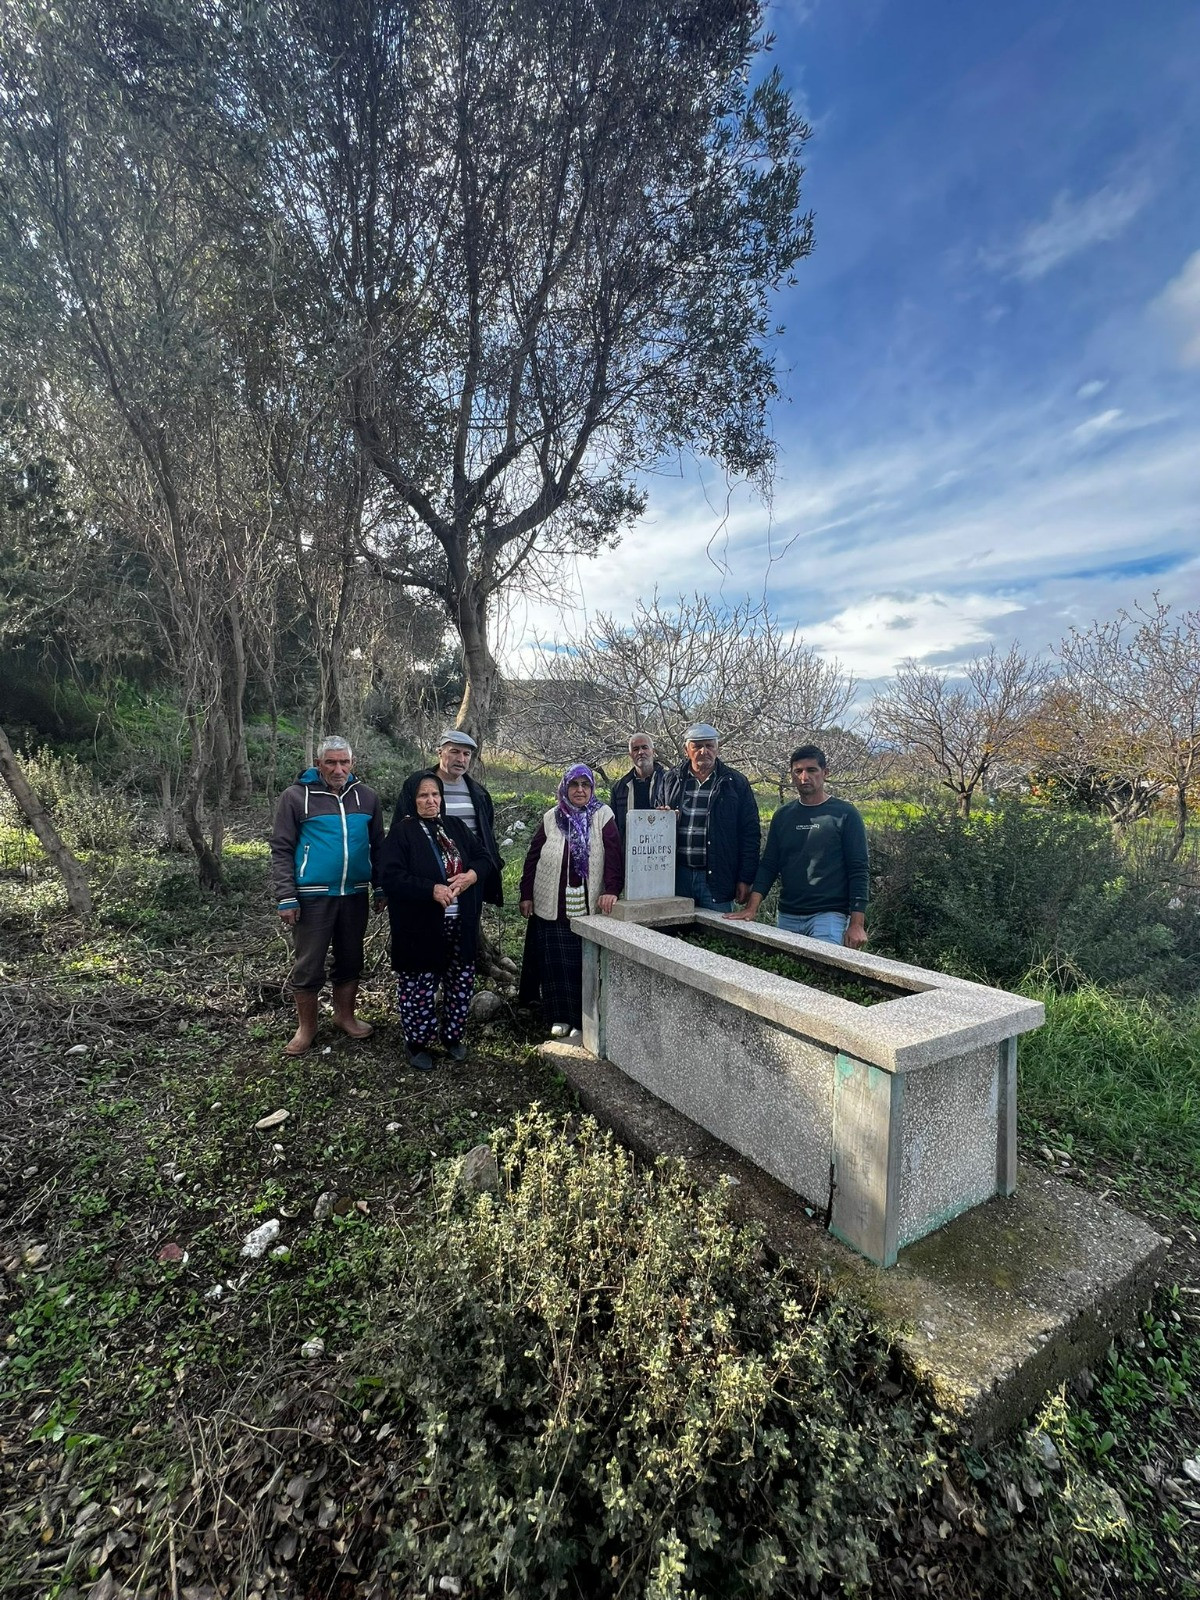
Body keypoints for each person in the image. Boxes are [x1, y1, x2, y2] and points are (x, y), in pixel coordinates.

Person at [270, 736, 385, 1056]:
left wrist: (380, 886)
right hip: (311, 896)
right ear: (318, 764)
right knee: (308, 964)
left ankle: (344, 1017)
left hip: (354, 895)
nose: (338, 769)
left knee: (351, 958)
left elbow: (378, 845)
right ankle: (306, 1028)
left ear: (353, 763)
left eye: (344, 762)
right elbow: (281, 848)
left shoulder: (367, 798)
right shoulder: (295, 798)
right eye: (331, 762)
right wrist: (286, 895)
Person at [379, 773, 492, 1070]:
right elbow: (390, 876)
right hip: (420, 924)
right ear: (411, 799)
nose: (430, 801)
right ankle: (417, 1042)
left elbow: (484, 857)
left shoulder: (454, 827)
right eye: (423, 796)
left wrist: (471, 876)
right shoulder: (402, 833)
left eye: (435, 795)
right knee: (418, 984)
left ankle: (452, 1036)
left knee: (461, 980)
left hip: (460, 922)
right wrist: (430, 889)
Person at [726, 744, 869, 948]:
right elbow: (769, 865)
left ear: (825, 773)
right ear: (792, 775)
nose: (804, 777)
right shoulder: (783, 816)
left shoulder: (845, 814)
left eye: (812, 770)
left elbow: (859, 869)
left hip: (828, 915)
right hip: (788, 914)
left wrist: (857, 924)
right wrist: (751, 908)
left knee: (821, 970)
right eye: (798, 771)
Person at [518, 764, 623, 1037]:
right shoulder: (552, 817)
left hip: (587, 905)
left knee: (581, 964)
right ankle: (559, 1017)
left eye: (584, 785)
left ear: (591, 788)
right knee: (554, 962)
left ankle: (581, 1021)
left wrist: (612, 888)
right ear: (565, 787)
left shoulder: (602, 816)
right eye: (574, 785)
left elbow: (614, 855)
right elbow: (532, 856)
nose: (579, 790)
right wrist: (526, 894)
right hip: (551, 903)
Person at [395, 730, 504, 907]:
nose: (461, 759)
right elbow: (398, 831)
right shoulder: (417, 786)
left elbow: (488, 838)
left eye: (466, 754)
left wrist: (480, 871)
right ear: (440, 752)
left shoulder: (479, 794)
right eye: (454, 752)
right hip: (427, 883)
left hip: (468, 881)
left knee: (466, 931)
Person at [661, 723, 760, 913]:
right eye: (697, 746)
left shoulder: (735, 783)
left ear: (717, 748)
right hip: (676, 876)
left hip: (717, 878)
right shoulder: (671, 779)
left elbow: (750, 833)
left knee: (716, 936)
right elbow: (656, 820)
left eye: (709, 745)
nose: (704, 751)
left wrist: (745, 878)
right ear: (686, 750)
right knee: (673, 935)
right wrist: (662, 816)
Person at [609, 731, 668, 840]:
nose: (641, 752)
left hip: (661, 849)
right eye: (635, 749)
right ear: (630, 755)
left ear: (653, 752)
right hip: (631, 851)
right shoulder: (619, 788)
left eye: (645, 747)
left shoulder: (669, 782)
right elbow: (614, 827)